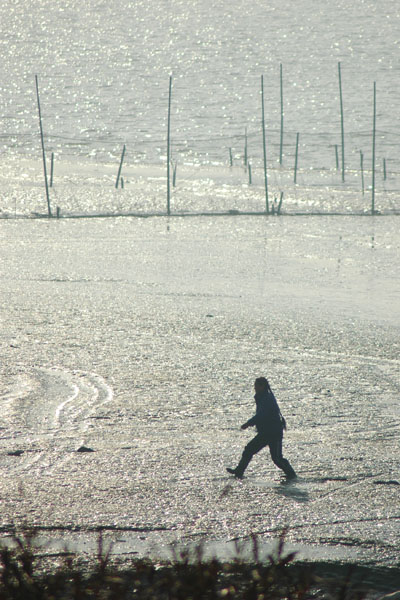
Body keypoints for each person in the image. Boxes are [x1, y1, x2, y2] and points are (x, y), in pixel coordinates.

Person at [227, 377, 297, 480]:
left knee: (277, 458)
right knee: (250, 450)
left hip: (273, 432)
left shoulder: (267, 398)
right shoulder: (262, 397)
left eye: (256, 385)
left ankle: (292, 475)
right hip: (267, 432)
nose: (254, 387)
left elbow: (261, 415)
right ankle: (239, 471)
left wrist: (248, 423)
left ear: (262, 386)